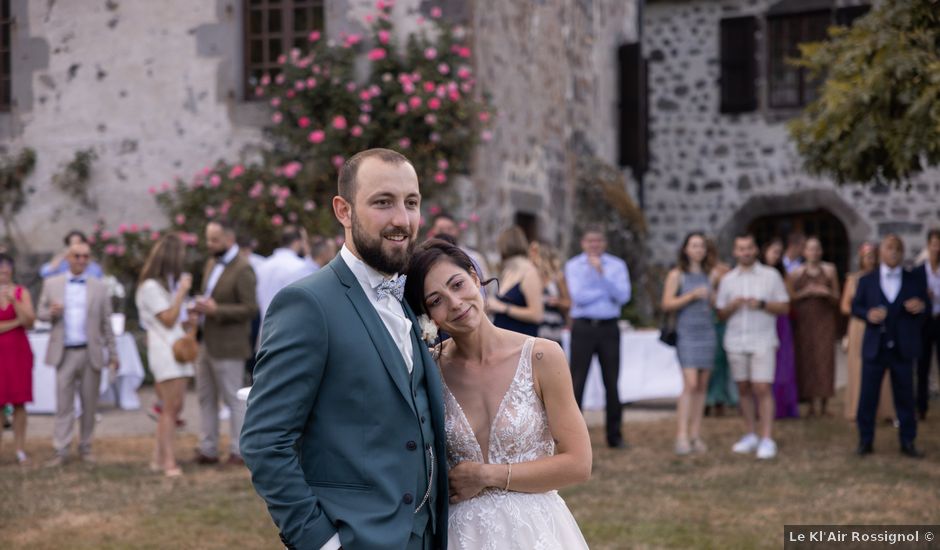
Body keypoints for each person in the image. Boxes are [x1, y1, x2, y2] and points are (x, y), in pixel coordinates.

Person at [241, 149, 449, 550]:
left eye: (411, 203)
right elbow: (265, 441)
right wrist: (321, 542)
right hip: (354, 536)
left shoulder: (409, 299)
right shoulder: (307, 304)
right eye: (382, 202)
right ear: (344, 210)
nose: (401, 220)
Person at [404, 238, 592, 549]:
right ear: (427, 316)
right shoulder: (428, 370)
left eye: (457, 284)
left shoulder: (542, 357)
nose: (455, 302)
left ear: (475, 278)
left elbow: (578, 464)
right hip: (462, 537)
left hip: (536, 532)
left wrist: (485, 475)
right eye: (436, 300)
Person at [37, 241, 118, 466]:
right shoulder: (52, 283)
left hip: (89, 351)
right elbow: (40, 312)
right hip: (64, 352)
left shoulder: (98, 287)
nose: (82, 260)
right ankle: (61, 449)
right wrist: (50, 313)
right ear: (68, 258)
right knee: (64, 404)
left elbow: (106, 323)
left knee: (90, 404)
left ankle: (86, 446)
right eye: (77, 256)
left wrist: (113, 353)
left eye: (85, 256)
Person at [853, 235, 929, 458]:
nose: (894, 252)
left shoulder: (913, 279)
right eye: (889, 248)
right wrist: (868, 314)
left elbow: (924, 305)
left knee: (905, 396)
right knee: (868, 396)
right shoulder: (867, 280)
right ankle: (865, 440)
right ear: (881, 252)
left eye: (898, 248)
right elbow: (856, 306)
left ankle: (908, 441)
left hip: (903, 348)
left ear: (902, 252)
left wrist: (920, 306)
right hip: (875, 347)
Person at [190, 219, 257, 466]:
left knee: (233, 399)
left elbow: (250, 309)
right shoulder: (210, 263)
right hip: (206, 341)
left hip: (229, 346)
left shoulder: (243, 268)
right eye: (208, 239)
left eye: (214, 239)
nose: (209, 244)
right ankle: (208, 447)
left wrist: (217, 310)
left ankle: (239, 450)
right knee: (205, 398)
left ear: (229, 239)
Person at [716, 234, 789, 460]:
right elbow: (720, 313)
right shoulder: (728, 280)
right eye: (741, 249)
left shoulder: (771, 276)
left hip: (763, 339)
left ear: (755, 250)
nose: (745, 252)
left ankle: (767, 437)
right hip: (736, 340)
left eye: (749, 248)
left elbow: (785, 307)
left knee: (762, 388)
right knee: (743, 388)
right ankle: (750, 434)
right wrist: (732, 306)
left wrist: (762, 304)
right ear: (735, 252)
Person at [565, 225, 632, 449]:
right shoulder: (574, 265)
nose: (594, 246)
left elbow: (623, 296)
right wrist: (604, 290)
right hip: (583, 327)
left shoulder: (616, 265)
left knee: (611, 382)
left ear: (604, 243)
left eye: (598, 241)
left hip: (609, 328)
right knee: (578, 382)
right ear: (583, 244)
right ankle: (573, 438)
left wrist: (602, 274)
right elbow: (578, 297)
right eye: (590, 241)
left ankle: (615, 435)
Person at [135, 234, 195, 477]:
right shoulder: (150, 287)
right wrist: (182, 292)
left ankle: (159, 458)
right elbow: (168, 319)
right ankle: (168, 461)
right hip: (165, 353)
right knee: (169, 409)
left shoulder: (161, 286)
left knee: (174, 407)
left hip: (175, 351)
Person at [661, 232, 715, 455]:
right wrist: (691, 296)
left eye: (701, 246)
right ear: (686, 249)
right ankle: (681, 435)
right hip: (687, 333)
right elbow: (666, 303)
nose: (698, 250)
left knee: (702, 385)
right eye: (694, 246)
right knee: (690, 384)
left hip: (707, 332)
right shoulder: (677, 275)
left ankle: (695, 434)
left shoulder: (710, 275)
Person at [841, 242, 894, 421]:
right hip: (860, 327)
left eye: (873, 256)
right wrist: (865, 312)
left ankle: (884, 409)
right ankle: (858, 408)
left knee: (884, 366)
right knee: (859, 366)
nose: (871, 260)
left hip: (881, 325)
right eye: (867, 256)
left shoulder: (884, 278)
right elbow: (845, 306)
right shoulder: (854, 279)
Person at [788, 237, 841, 417]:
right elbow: (790, 298)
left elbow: (837, 297)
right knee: (807, 360)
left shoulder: (829, 270)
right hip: (804, 322)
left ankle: (824, 404)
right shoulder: (796, 273)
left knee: (824, 360)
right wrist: (805, 293)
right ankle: (810, 403)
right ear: (805, 252)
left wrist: (825, 292)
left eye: (817, 249)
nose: (814, 253)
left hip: (824, 320)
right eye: (810, 249)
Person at [0, 253, 36, 464]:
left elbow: (30, 321)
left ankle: (20, 448)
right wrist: (15, 323)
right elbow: (20, 323)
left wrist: (16, 303)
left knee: (19, 402)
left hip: (18, 352)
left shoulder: (22, 292)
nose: (3, 273)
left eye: (6, 269)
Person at [762, 238, 799, 419]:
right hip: (762, 319)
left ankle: (782, 406)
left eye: (779, 252)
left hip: (780, 321)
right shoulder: (757, 273)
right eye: (773, 251)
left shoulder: (784, 274)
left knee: (782, 363)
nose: (776, 256)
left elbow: (790, 297)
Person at [487, 226, 543, 337]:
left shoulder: (529, 272)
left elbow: (537, 315)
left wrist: (504, 308)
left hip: (520, 341)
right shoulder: (507, 271)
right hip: (502, 339)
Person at [255, 226, 319, 321]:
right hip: (291, 329)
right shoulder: (301, 267)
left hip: (265, 329)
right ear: (298, 242)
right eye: (305, 241)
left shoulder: (262, 266)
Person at [705, 238, 737, 414]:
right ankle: (706, 399)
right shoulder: (697, 272)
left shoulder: (723, 270)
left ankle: (720, 399)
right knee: (706, 361)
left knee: (720, 360)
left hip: (719, 318)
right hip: (704, 319)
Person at [917, 229, 940, 420]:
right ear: (929, 245)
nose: (937, 248)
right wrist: (924, 296)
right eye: (934, 243)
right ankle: (922, 406)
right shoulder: (920, 270)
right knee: (922, 366)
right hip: (925, 322)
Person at [426, 211, 490, 280]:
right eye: (441, 230)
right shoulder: (426, 261)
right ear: (433, 231)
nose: (445, 233)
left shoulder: (474, 258)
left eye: (449, 229)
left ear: (456, 230)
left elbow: (486, 286)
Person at [529, 240, 570, 344]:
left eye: (534, 251)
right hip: (532, 327)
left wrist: (558, 302)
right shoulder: (529, 274)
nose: (530, 254)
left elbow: (569, 303)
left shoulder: (557, 277)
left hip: (552, 328)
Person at [39, 230, 104, 279]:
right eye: (72, 244)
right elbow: (45, 273)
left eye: (78, 244)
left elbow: (97, 275)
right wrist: (61, 257)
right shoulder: (63, 263)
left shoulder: (90, 264)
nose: (75, 247)